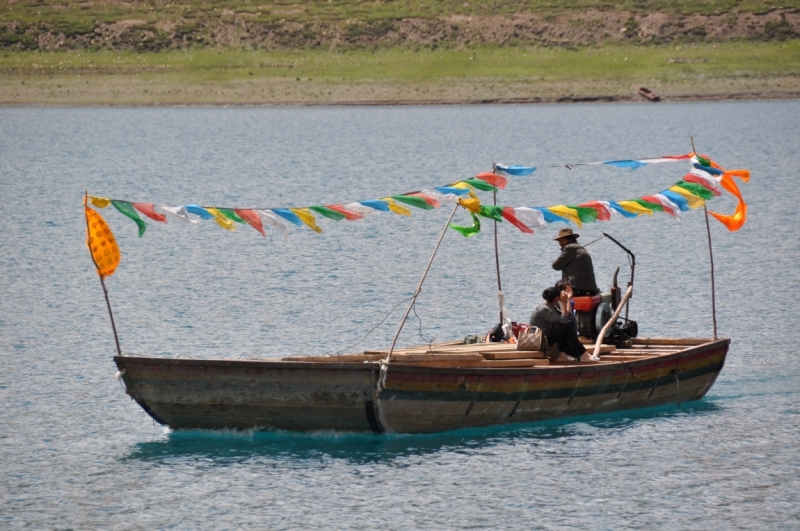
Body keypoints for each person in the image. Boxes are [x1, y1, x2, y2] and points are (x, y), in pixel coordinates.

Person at [529, 286, 587, 361]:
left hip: (545, 337)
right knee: (567, 326)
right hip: (540, 340)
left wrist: (568, 299)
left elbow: (568, 316)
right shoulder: (544, 309)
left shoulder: (551, 306)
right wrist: (563, 302)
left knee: (568, 325)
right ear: (556, 298)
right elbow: (564, 319)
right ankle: (583, 353)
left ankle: (564, 354)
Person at [552, 228, 599, 296]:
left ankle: (557, 306)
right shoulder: (579, 247)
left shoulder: (569, 248)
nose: (560, 243)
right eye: (559, 241)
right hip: (591, 288)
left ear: (570, 239)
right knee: (560, 284)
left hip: (577, 288)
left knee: (557, 288)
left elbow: (555, 266)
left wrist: (560, 255)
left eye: (562, 240)